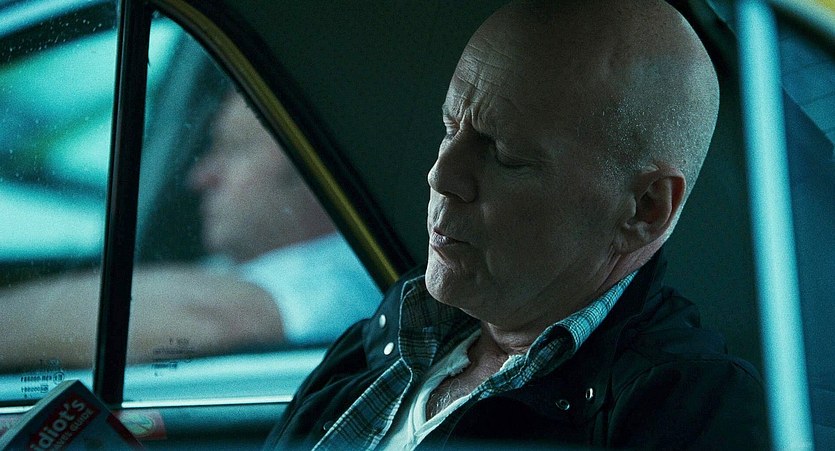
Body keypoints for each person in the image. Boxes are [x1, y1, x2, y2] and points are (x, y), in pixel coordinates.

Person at [265, 0, 768, 449]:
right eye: (450, 128)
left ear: (645, 209)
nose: (441, 175)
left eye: (506, 155)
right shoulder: (388, 338)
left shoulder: (688, 415)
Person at [0, 90, 380, 371]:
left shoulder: (354, 272)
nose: (201, 177)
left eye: (233, 149)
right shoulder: (251, 269)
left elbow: (217, 319)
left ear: (313, 166)